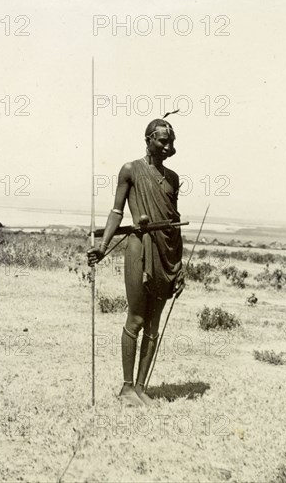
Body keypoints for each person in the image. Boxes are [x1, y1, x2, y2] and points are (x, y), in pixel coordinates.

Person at [87, 118, 184, 407]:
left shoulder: (174, 178)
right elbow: (117, 212)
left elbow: (174, 223)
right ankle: (126, 388)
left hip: (165, 253)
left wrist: (179, 265)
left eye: (171, 142)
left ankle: (141, 387)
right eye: (162, 141)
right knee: (137, 319)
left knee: (154, 325)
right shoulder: (130, 170)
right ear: (148, 140)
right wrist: (103, 247)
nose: (168, 146)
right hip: (139, 248)